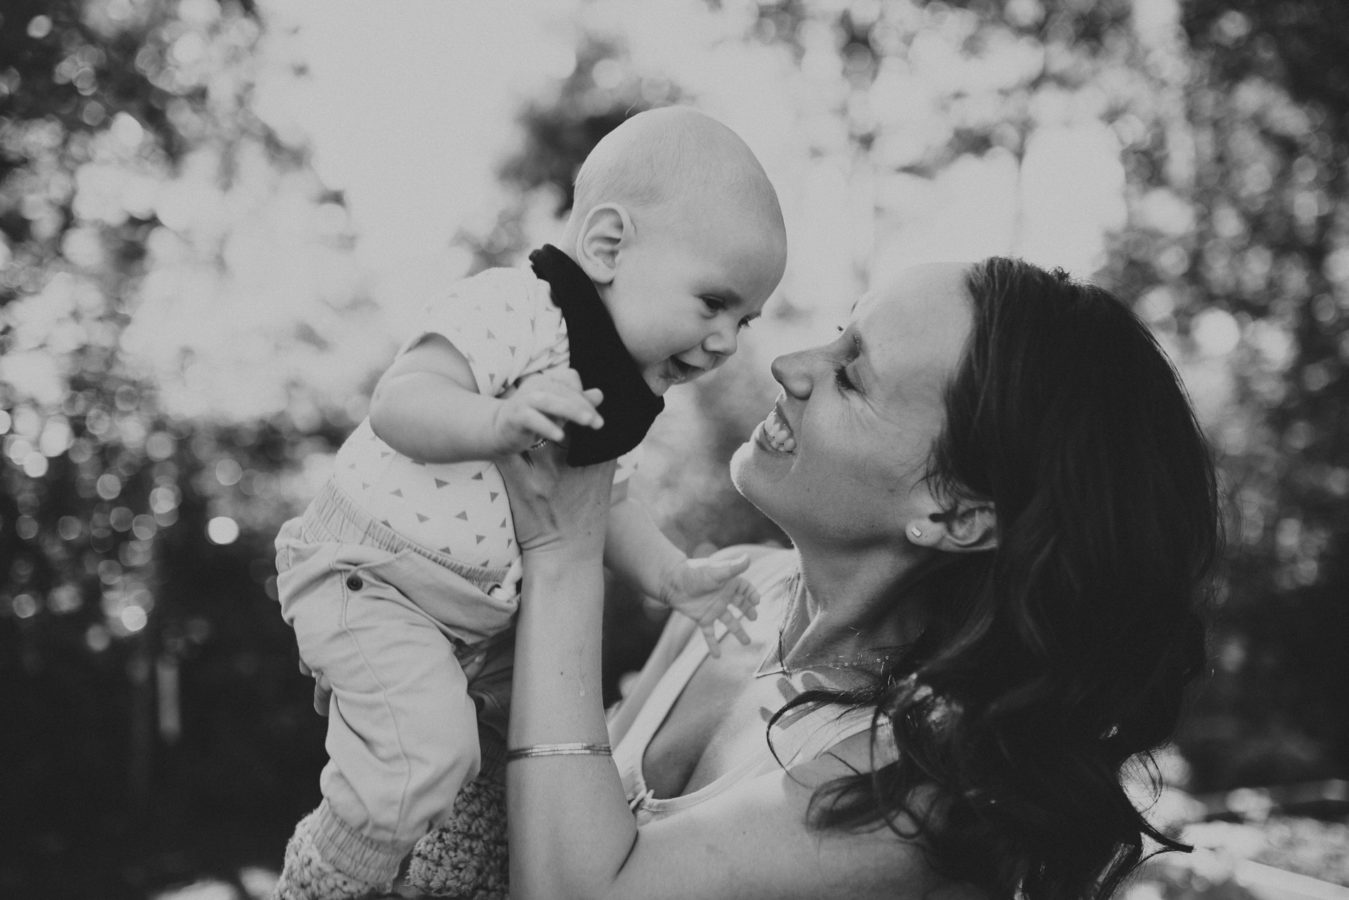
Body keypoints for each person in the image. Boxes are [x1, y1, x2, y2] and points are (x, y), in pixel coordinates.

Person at [492, 257, 1218, 900]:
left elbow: (570, 887)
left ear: (955, 512)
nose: (791, 365)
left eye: (851, 374)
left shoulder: (918, 795)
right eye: (838, 332)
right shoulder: (734, 595)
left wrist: (563, 551)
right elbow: (553, 809)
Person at [271, 107, 788, 900]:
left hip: (474, 621)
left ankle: (454, 878)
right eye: (712, 303)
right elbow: (400, 402)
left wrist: (673, 578)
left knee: (528, 762)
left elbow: (605, 499)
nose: (725, 341)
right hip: (374, 575)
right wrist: (494, 420)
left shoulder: (620, 381)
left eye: (743, 320)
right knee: (427, 759)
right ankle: (324, 879)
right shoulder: (518, 309)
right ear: (608, 245)